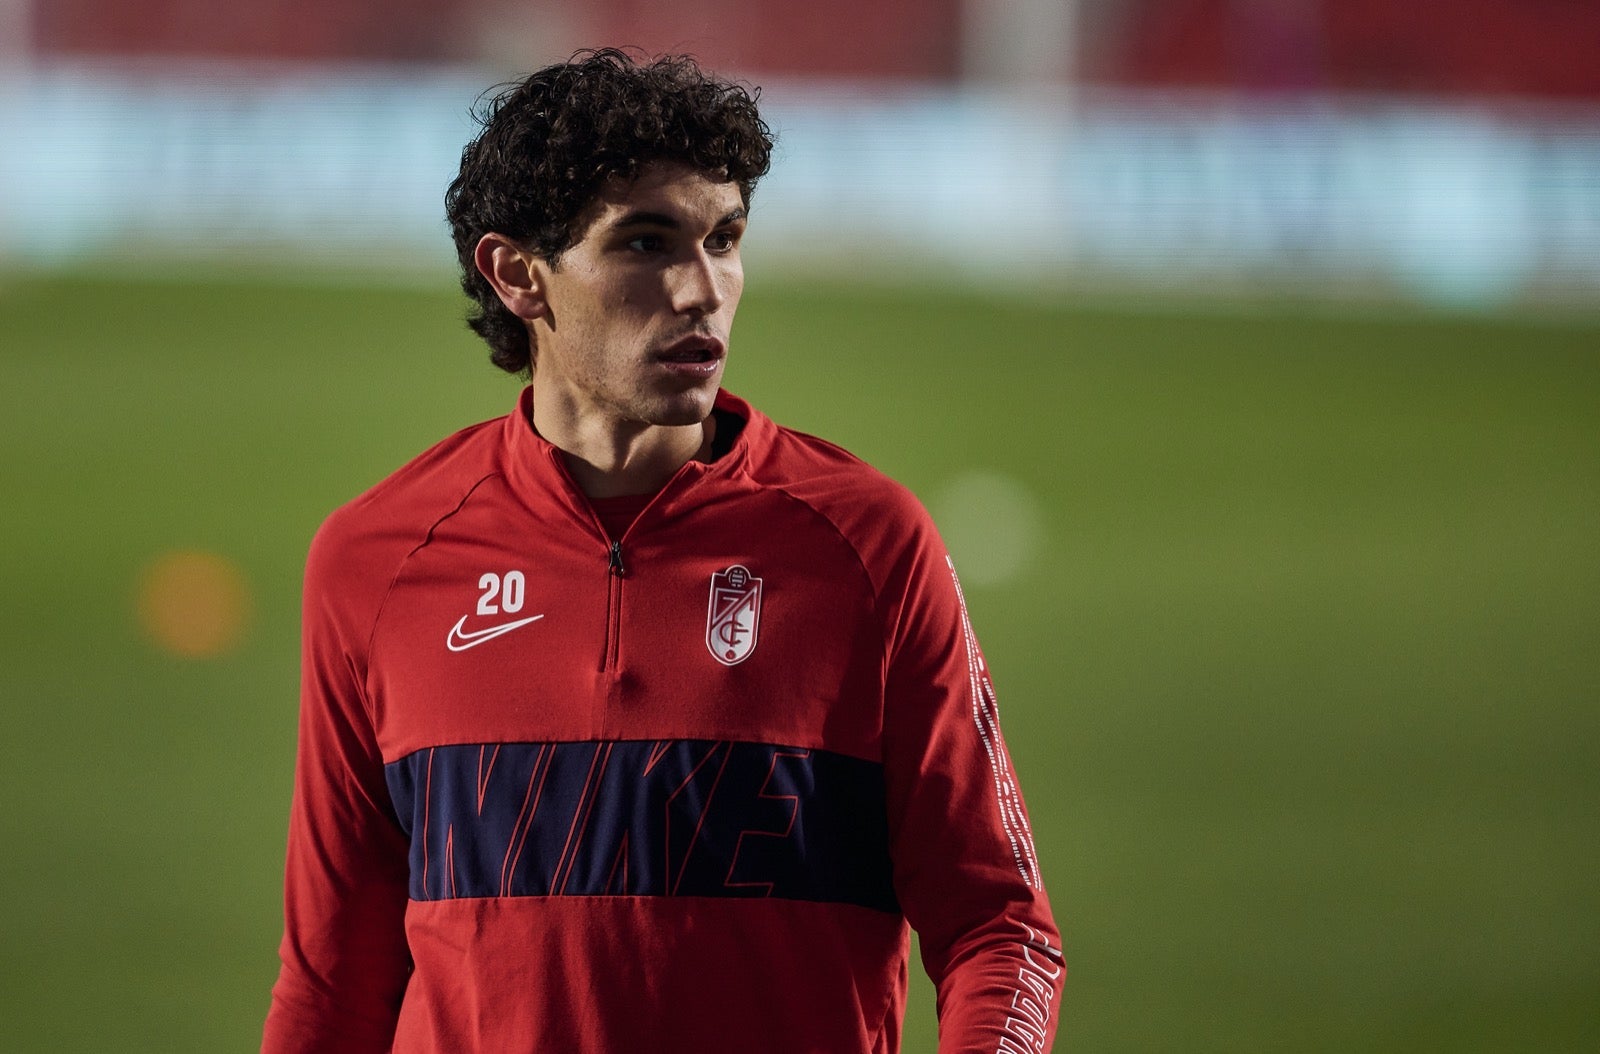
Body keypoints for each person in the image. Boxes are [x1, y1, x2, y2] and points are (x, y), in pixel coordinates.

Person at [262, 48, 1063, 1054]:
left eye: (724, 239)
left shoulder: (866, 544)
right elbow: (333, 982)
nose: (702, 289)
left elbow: (1001, 926)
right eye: (646, 243)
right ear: (517, 276)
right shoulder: (376, 559)